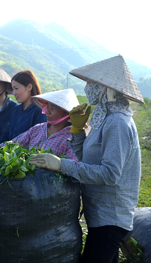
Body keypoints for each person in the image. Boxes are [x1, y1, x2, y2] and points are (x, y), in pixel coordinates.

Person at [30, 55, 143, 263]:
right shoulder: (104, 117)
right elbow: (88, 158)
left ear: (106, 89)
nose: (87, 88)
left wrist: (61, 164)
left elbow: (110, 174)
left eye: (92, 84)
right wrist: (77, 131)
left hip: (111, 217)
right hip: (100, 214)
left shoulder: (118, 123)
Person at [0, 89, 79, 160]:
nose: (47, 112)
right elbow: (14, 143)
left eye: (52, 109)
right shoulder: (38, 129)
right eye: (47, 107)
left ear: (67, 113)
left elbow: (71, 164)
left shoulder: (72, 138)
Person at [0, 70, 46, 144]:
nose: (13, 93)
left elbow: (37, 140)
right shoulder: (16, 109)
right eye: (13, 89)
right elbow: (7, 135)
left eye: (16, 88)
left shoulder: (40, 111)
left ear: (29, 87)